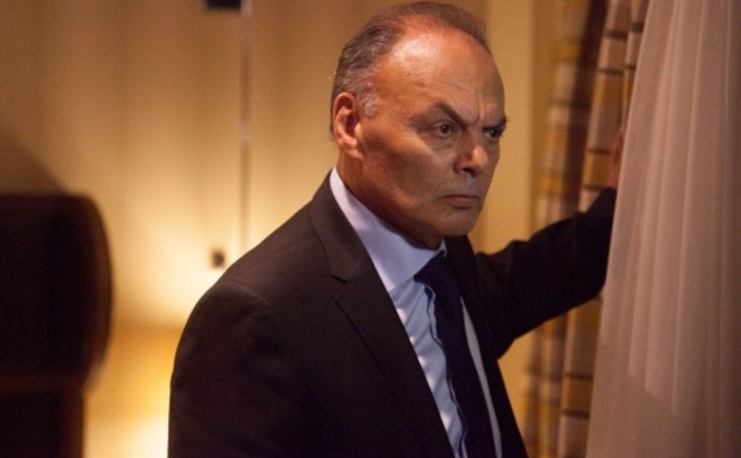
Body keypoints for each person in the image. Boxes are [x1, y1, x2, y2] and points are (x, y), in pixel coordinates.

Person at [169, 2, 618, 457]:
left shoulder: (442, 253)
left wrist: (621, 204)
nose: (478, 159)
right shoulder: (253, 315)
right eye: (444, 128)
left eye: (491, 132)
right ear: (350, 125)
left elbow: (519, 284)